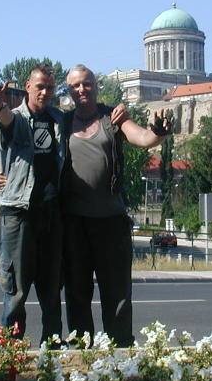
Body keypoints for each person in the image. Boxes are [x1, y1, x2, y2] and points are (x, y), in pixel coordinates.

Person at [62, 64, 171, 347]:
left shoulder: (113, 117)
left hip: (110, 221)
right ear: (69, 91)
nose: (81, 89)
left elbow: (143, 138)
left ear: (96, 86)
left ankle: (121, 353)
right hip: (74, 223)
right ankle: (80, 352)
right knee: (76, 293)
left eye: (86, 83)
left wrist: (157, 132)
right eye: (75, 86)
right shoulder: (60, 122)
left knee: (118, 294)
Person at [0, 64, 65, 347]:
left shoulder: (60, 120)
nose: (45, 92)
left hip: (52, 213)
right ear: (28, 86)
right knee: (17, 289)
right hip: (19, 213)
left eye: (50, 88)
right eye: (40, 86)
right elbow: (5, 119)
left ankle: (52, 350)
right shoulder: (18, 118)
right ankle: (11, 350)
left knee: (52, 288)